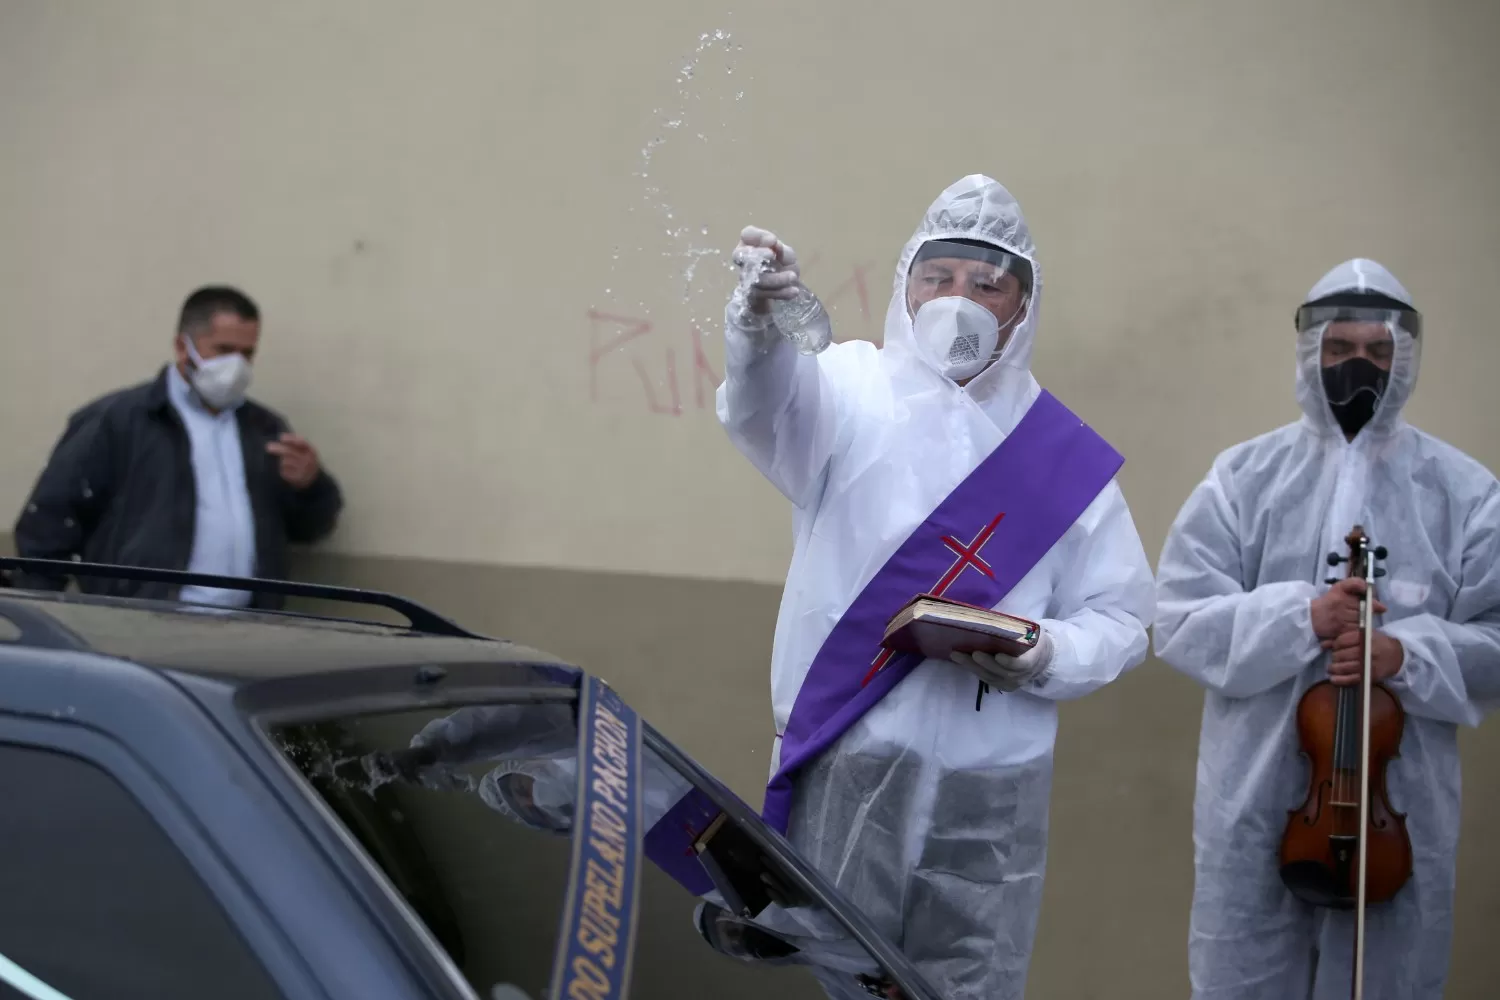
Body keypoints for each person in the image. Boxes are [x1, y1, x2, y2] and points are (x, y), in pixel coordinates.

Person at [715, 174, 1155, 999]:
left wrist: (1046, 652)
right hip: (848, 760)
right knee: (842, 980)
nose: (961, 299)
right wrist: (759, 330)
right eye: (939, 276)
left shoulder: (1063, 455)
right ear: (906, 284)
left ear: (1023, 305)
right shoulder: (847, 387)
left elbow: (1127, 616)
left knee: (975, 984)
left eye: (989, 283)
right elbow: (760, 412)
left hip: (992, 792)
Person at [1153, 258, 1500, 999]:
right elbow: (1178, 620)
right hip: (1253, 796)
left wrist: (1404, 653)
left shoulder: (1467, 494)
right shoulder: (1242, 479)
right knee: (1242, 974)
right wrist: (1301, 617)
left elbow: (1498, 646)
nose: (1357, 368)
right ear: (1310, 353)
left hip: (1394, 817)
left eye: (1377, 353)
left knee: (1387, 980)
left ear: (1405, 360)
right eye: (1339, 350)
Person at [12, 285, 342, 609]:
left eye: (247, 353)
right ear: (182, 347)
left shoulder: (264, 428)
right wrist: (40, 613)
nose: (237, 365)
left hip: (248, 633)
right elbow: (49, 524)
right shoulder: (119, 420)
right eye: (224, 349)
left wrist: (310, 487)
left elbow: (309, 529)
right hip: (144, 625)